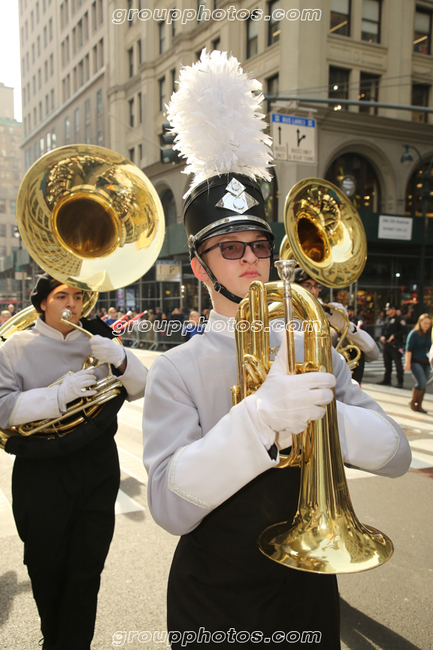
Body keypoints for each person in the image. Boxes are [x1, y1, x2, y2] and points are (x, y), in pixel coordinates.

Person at [142, 50, 411, 650]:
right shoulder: (177, 371)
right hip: (214, 598)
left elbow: (395, 455)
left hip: (307, 590)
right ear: (199, 266)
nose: (250, 263)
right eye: (229, 250)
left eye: (258, 247)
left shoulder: (310, 345)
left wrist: (325, 415)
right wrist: (260, 419)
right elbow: (168, 508)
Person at [0, 274, 147, 650]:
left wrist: (123, 357)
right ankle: (54, 637)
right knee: (45, 565)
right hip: (42, 468)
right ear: (42, 303)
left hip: (96, 463)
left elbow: (142, 388)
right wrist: (57, 397)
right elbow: (2, 409)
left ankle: (76, 643)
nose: (73, 303)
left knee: (87, 567)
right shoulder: (14, 346)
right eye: (61, 295)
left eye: (78, 295)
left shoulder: (97, 340)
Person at [293, 268, 379, 384]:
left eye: (316, 286)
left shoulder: (329, 313)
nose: (313, 291)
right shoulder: (282, 314)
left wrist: (346, 327)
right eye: (307, 285)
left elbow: (373, 354)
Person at [404, 313, 432, 413]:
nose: (427, 326)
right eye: (425, 323)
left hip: (426, 362)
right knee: (421, 382)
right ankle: (413, 401)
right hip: (416, 361)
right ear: (420, 323)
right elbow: (409, 349)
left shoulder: (429, 334)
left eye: (429, 324)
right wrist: (407, 363)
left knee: (424, 384)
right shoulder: (414, 334)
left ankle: (419, 404)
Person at [378, 303, 407, 388]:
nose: (387, 311)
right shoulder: (387, 319)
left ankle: (400, 381)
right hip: (387, 344)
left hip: (395, 345)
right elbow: (384, 329)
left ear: (394, 310)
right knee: (387, 363)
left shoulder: (399, 319)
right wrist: (382, 336)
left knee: (398, 364)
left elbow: (404, 330)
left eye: (389, 309)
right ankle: (387, 379)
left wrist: (395, 336)